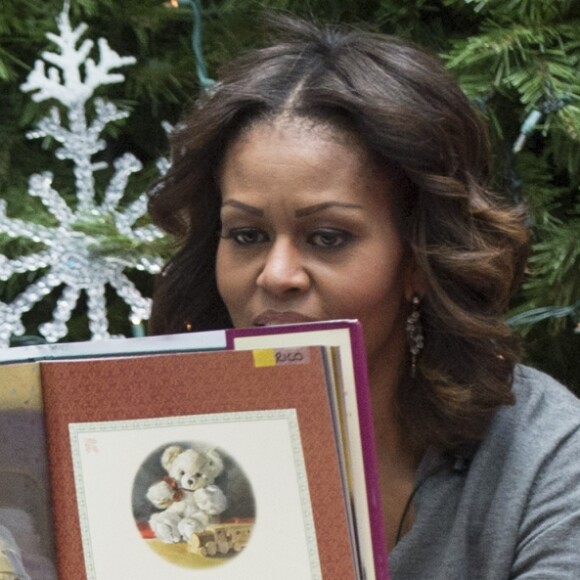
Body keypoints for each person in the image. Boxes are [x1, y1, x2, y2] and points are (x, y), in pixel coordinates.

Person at [147, 15, 580, 579]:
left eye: (328, 238)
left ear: (421, 261)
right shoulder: (156, 447)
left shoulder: (545, 457)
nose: (277, 275)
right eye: (247, 235)